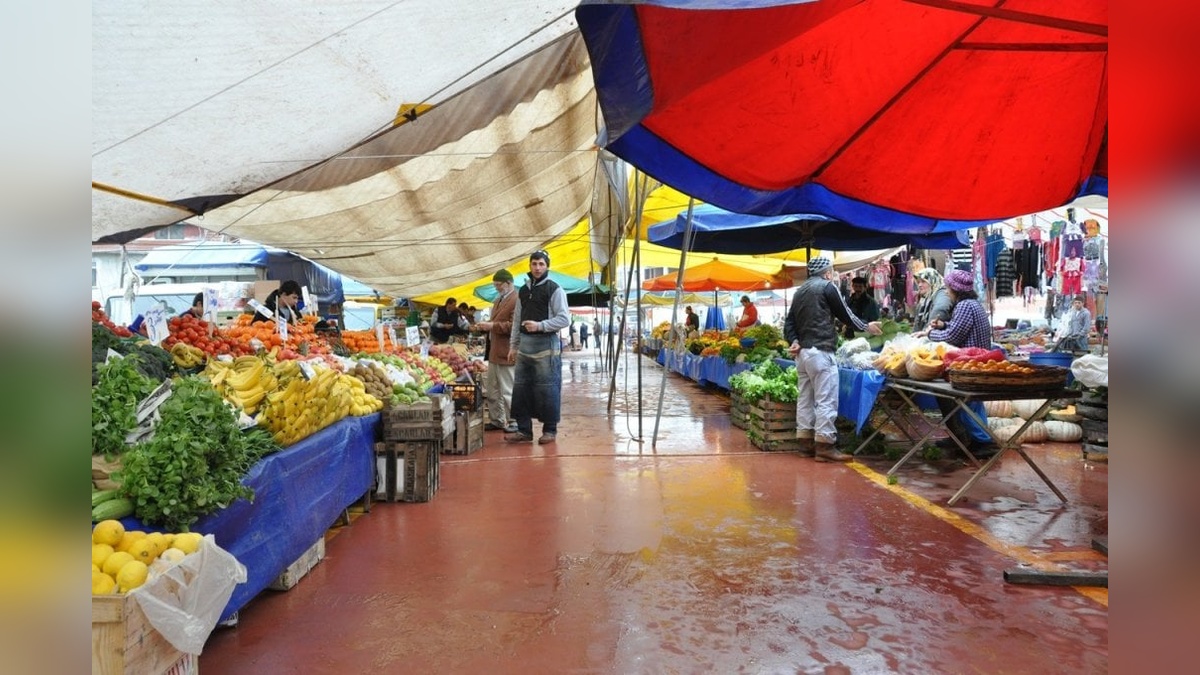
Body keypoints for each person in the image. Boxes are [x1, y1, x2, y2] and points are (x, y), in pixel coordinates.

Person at [783, 256, 883, 462]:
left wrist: (793, 340)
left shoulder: (799, 292)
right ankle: (825, 446)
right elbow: (844, 313)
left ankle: (805, 443)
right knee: (826, 399)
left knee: (805, 399)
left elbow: (789, 323)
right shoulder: (828, 287)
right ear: (827, 272)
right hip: (820, 351)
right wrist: (866, 326)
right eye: (832, 272)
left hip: (802, 354)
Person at [914, 269, 998, 458]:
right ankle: (967, 438)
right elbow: (956, 328)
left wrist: (930, 334)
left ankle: (983, 443)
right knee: (970, 403)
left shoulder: (964, 306)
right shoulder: (970, 304)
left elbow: (954, 337)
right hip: (974, 362)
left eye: (948, 288)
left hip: (971, 364)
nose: (945, 291)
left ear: (955, 289)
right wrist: (943, 325)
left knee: (969, 404)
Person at [506, 250, 571, 444]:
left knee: (547, 388)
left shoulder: (555, 289)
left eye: (541, 264)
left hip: (546, 344)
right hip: (525, 344)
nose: (537, 268)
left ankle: (550, 430)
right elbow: (518, 319)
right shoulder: (523, 291)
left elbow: (564, 319)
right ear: (529, 266)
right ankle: (524, 431)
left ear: (547, 266)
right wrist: (513, 345)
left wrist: (540, 325)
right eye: (534, 264)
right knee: (521, 388)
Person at [475, 270, 519, 433]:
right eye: (495, 285)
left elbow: (514, 326)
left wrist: (492, 326)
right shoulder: (498, 300)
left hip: (507, 351)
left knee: (508, 389)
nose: (497, 288)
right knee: (492, 389)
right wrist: (487, 325)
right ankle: (497, 419)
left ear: (508, 283)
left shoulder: (516, 299)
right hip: (494, 351)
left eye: (498, 285)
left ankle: (514, 420)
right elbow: (497, 322)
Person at [911, 268, 952, 332]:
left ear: (932, 281)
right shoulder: (927, 296)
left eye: (923, 281)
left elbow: (940, 309)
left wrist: (927, 331)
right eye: (918, 282)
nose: (919, 285)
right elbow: (918, 321)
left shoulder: (942, 293)